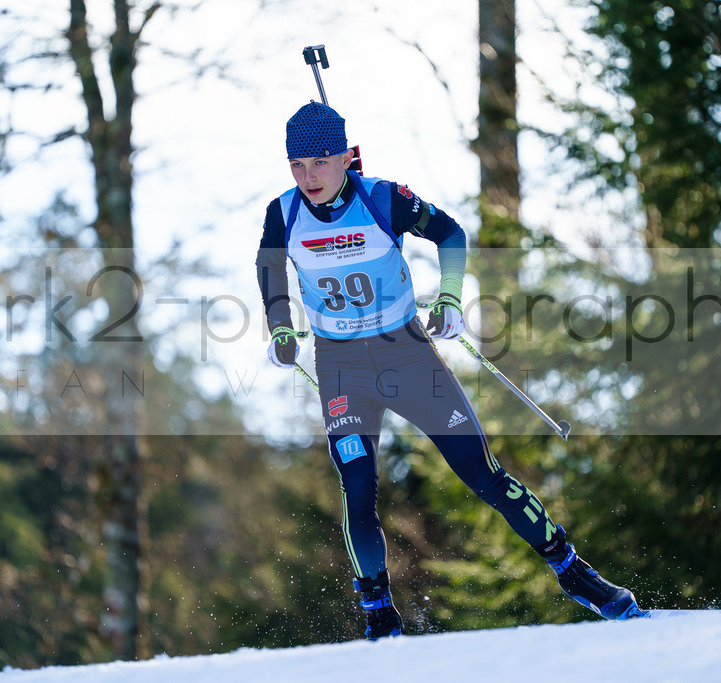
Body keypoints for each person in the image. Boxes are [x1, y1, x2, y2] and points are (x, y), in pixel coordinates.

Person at [256, 102, 640, 639]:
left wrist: (452, 299)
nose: (307, 176)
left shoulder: (383, 198)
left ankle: (574, 572)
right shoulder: (284, 211)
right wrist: (279, 326)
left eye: (319, 161)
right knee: (358, 486)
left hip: (407, 354)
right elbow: (268, 267)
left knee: (481, 471)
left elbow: (451, 234)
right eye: (296, 164)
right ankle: (378, 613)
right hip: (342, 367)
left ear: (346, 156)